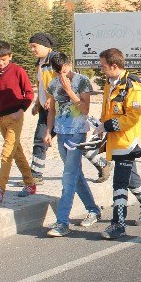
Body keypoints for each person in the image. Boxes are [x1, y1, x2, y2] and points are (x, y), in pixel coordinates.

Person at [24, 32, 112, 185]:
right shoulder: (39, 63)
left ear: (46, 46)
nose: (32, 49)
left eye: (34, 46)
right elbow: (43, 85)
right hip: (48, 110)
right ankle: (35, 175)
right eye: (30, 47)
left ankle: (103, 164)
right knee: (41, 139)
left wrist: (51, 99)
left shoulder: (55, 61)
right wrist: (38, 102)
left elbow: (60, 82)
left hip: (65, 110)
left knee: (74, 143)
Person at [97, 48, 141, 239]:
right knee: (131, 178)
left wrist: (107, 126)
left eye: (103, 66)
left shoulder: (133, 86)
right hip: (116, 141)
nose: (102, 70)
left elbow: (132, 118)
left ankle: (118, 225)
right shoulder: (109, 84)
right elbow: (107, 111)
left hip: (129, 143)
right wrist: (101, 127)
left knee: (119, 183)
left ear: (114, 66)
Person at [43, 53, 102, 237]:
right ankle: (93, 209)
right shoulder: (53, 84)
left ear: (70, 64)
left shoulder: (82, 81)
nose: (63, 74)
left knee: (68, 177)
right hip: (61, 133)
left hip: (77, 133)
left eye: (65, 69)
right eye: (58, 72)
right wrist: (48, 132)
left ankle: (62, 222)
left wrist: (69, 90)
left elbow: (85, 109)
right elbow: (52, 110)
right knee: (76, 175)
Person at [0, 41, 38, 203]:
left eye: (3, 59)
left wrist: (21, 110)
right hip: (0, 118)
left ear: (10, 56)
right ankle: (30, 184)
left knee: (7, 153)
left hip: (15, 117)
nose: (0, 63)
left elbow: (29, 93)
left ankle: (0, 189)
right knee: (16, 152)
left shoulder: (18, 71)